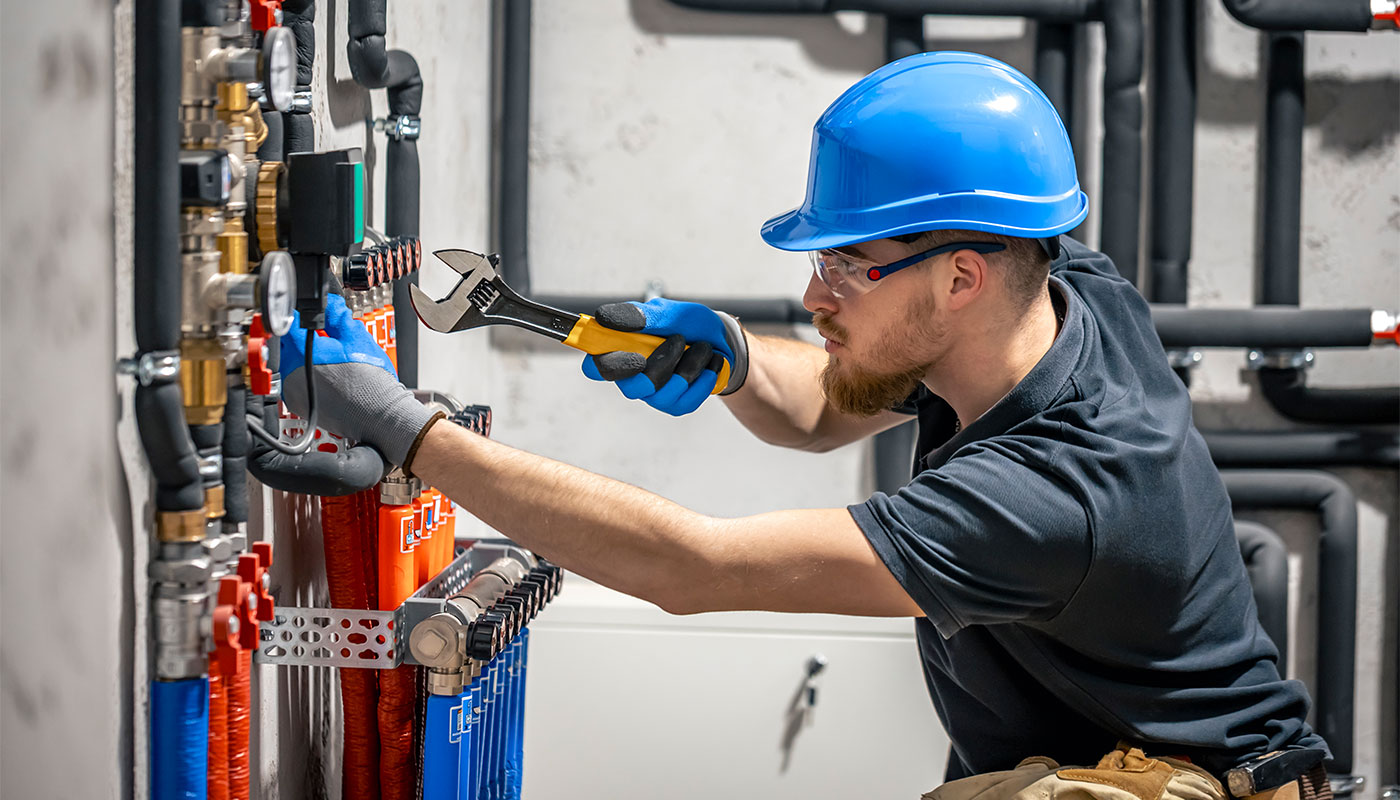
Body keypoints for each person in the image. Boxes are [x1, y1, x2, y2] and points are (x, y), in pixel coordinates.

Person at [281, 52, 1325, 797]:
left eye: (843, 265)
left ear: (962, 275)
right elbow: (832, 400)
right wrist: (732, 355)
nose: (815, 295)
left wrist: (410, 432)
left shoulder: (1056, 495)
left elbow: (697, 567)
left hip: (1188, 785)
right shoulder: (1060, 288)